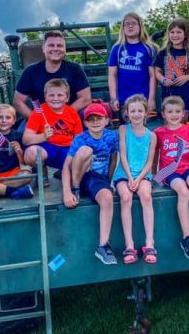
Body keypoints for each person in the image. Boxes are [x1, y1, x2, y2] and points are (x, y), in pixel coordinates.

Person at [61, 103, 120, 265]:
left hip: (99, 178)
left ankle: (103, 246)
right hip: (81, 175)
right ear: (85, 123)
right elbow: (66, 166)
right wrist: (67, 192)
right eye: (90, 119)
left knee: (107, 197)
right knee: (86, 150)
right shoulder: (80, 138)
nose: (95, 122)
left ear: (106, 120)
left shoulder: (112, 136)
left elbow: (114, 158)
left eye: (99, 118)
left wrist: (109, 180)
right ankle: (76, 188)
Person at [154, 96, 189, 260]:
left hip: (188, 167)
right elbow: (154, 155)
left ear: (183, 113)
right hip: (170, 171)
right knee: (183, 192)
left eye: (178, 111)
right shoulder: (158, 133)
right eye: (170, 112)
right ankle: (187, 236)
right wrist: (153, 174)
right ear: (163, 114)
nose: (174, 115)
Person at [112, 94, 157, 264]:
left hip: (143, 174)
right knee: (125, 197)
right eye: (132, 111)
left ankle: (149, 242)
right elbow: (123, 155)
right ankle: (129, 244)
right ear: (127, 113)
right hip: (124, 174)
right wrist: (130, 177)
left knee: (146, 195)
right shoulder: (123, 130)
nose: (136, 114)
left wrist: (139, 178)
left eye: (140, 111)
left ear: (146, 113)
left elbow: (150, 162)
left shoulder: (151, 135)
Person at [14, 30, 91, 118]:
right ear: (43, 48)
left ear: (65, 49)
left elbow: (85, 98)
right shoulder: (30, 71)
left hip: (69, 116)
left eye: (60, 46)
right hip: (40, 117)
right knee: (21, 128)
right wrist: (36, 120)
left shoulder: (75, 69)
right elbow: (18, 102)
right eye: (51, 45)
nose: (55, 48)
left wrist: (62, 116)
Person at [22, 79, 83, 177]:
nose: (55, 98)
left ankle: (65, 173)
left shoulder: (72, 113)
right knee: (32, 154)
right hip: (47, 147)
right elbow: (26, 139)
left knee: (83, 155)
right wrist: (43, 136)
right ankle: (42, 172)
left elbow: (78, 138)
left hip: (67, 148)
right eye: (51, 95)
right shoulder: (39, 111)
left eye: (60, 95)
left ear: (67, 98)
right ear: (45, 97)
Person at [108, 12, 158, 116]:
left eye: (134, 23)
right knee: (126, 125)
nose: (130, 26)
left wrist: (151, 98)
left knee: (141, 126)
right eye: (127, 24)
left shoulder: (148, 48)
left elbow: (152, 76)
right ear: (123, 28)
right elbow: (112, 75)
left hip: (143, 99)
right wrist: (113, 98)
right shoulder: (117, 48)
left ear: (140, 26)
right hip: (123, 100)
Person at [153, 18, 189, 123]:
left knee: (183, 123)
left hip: (185, 93)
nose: (175, 35)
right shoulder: (163, 52)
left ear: (185, 34)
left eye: (179, 32)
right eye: (172, 32)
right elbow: (157, 71)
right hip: (168, 94)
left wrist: (186, 77)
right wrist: (163, 80)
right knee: (168, 122)